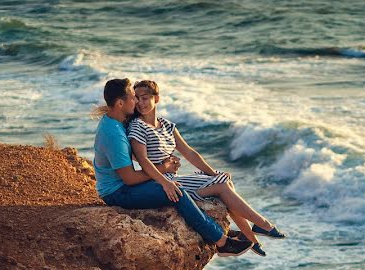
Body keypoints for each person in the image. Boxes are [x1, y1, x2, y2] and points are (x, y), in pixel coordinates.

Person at [93, 78, 253, 257]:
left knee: (178, 187)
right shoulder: (114, 134)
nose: (137, 101)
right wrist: (163, 169)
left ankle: (214, 228)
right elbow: (129, 179)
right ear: (121, 103)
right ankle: (222, 242)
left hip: (122, 185)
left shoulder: (116, 121)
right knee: (177, 192)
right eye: (133, 97)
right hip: (117, 192)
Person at [127, 79, 285, 257]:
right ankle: (262, 225)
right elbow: (143, 160)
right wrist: (164, 182)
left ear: (157, 98)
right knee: (222, 186)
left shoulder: (167, 125)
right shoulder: (137, 127)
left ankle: (252, 238)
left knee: (224, 180)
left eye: (145, 98)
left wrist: (212, 173)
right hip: (163, 183)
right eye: (137, 98)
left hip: (174, 179)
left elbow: (189, 153)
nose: (140, 103)